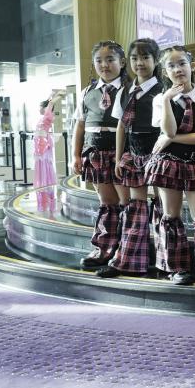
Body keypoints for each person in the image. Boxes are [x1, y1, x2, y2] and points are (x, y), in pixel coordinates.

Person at [144, 46, 195, 285]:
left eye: (182, 63)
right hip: (168, 163)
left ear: (192, 66)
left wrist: (170, 139)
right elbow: (169, 129)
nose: (178, 69)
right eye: (171, 66)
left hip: (194, 162)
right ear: (165, 71)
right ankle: (177, 268)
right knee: (171, 215)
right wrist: (166, 100)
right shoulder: (160, 99)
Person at [99, 38, 165, 278]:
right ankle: (130, 262)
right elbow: (121, 126)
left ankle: (166, 262)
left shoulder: (163, 90)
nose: (140, 63)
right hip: (134, 154)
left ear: (156, 60)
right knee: (136, 208)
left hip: (160, 155)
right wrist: (119, 158)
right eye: (135, 58)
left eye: (145, 57)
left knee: (163, 208)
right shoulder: (125, 90)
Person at [74, 41, 130, 270]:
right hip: (95, 153)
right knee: (107, 203)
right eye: (99, 60)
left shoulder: (130, 89)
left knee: (127, 203)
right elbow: (79, 125)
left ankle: (126, 250)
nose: (104, 65)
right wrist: (75, 155)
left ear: (122, 62)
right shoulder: (87, 92)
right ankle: (103, 248)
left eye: (110, 60)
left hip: (121, 154)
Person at [33, 91, 64, 213]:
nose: (39, 109)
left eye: (40, 107)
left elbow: (50, 104)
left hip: (43, 144)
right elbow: (48, 103)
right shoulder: (44, 117)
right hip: (39, 144)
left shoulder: (47, 116)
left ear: (46, 108)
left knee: (45, 168)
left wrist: (57, 95)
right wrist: (51, 95)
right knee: (41, 168)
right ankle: (44, 195)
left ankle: (48, 196)